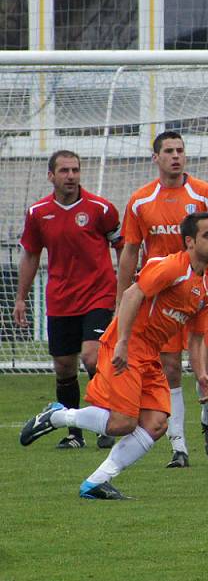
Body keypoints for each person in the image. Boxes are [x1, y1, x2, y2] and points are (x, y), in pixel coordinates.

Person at [19, 212, 208, 500]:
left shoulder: (207, 291)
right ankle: (59, 416)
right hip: (125, 345)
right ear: (189, 241)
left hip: (149, 354)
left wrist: (201, 374)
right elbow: (131, 296)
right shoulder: (171, 267)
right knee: (123, 422)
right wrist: (123, 342)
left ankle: (96, 483)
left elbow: (197, 337)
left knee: (156, 423)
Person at [117, 131, 208, 468]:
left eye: (180, 150)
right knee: (170, 369)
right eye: (168, 151)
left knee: (207, 372)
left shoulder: (204, 194)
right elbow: (130, 251)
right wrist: (121, 299)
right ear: (155, 157)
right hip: (162, 303)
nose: (175, 156)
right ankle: (178, 446)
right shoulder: (140, 200)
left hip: (200, 296)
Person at [14, 150, 121, 450]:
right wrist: (21, 298)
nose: (71, 175)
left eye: (75, 170)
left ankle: (108, 422)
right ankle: (75, 433)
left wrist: (124, 288)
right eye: (64, 171)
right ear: (51, 176)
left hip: (99, 295)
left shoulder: (101, 208)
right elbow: (31, 254)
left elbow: (122, 246)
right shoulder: (38, 213)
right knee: (64, 367)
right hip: (60, 299)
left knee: (92, 357)